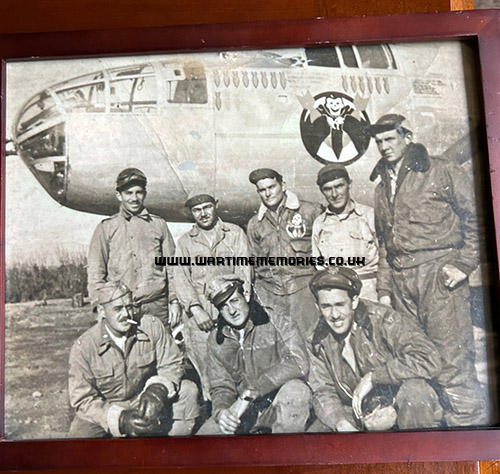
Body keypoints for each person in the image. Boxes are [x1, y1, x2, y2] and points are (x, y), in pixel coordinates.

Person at [370, 114, 487, 426]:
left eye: (390, 139)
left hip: (438, 277)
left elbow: (478, 217)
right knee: (416, 358)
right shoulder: (382, 188)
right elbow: (385, 244)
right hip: (400, 283)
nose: (384, 147)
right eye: (379, 142)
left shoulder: (439, 170)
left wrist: (463, 265)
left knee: (452, 362)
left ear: (407, 137)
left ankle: (469, 431)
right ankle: (429, 433)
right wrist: (383, 290)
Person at [307, 267, 444, 432]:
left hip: (397, 407)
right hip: (355, 413)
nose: (334, 314)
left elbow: (429, 358)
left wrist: (374, 378)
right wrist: (340, 423)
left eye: (340, 304)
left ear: (355, 301)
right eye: (326, 306)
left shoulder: (383, 319)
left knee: (416, 392)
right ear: (317, 307)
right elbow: (323, 390)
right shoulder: (315, 339)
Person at [68, 281, 199, 438]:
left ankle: (170, 451)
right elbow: (83, 400)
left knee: (187, 390)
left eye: (129, 307)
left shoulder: (151, 326)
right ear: (102, 311)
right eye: (118, 309)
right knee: (80, 435)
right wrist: (120, 419)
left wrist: (158, 389)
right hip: (108, 408)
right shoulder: (85, 347)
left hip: (143, 400)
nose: (126, 314)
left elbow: (172, 363)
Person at [197, 275, 311, 435]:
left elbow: (298, 362)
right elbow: (221, 386)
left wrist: (251, 392)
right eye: (223, 306)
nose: (231, 310)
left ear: (246, 295)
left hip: (277, 405)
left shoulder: (276, 320)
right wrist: (222, 412)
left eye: (235, 300)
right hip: (244, 414)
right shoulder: (217, 340)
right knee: (199, 444)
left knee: (297, 390)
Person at [174, 192, 252, 402]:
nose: (203, 213)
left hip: (232, 317)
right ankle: (215, 421)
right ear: (191, 213)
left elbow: (244, 272)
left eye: (207, 207)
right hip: (201, 322)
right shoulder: (184, 243)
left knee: (241, 370)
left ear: (216, 206)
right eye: (197, 210)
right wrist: (195, 310)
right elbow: (180, 278)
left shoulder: (234, 234)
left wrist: (240, 313)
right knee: (209, 380)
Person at [87, 168, 181, 329]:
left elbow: (173, 267)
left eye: (139, 192)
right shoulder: (106, 228)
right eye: (128, 193)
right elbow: (96, 270)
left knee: (160, 351)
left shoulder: (158, 225)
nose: (134, 198)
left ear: (144, 194)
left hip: (156, 306)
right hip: (120, 306)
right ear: (119, 196)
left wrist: (174, 301)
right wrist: (98, 305)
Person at [246, 168, 323, 337]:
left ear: (283, 185)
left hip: (305, 292)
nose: (267, 194)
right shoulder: (255, 224)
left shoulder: (310, 212)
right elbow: (257, 266)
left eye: (271, 187)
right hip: (274, 295)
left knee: (313, 340)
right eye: (262, 190)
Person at [312, 163, 379, 300]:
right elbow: (318, 265)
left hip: (369, 290)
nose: (335, 194)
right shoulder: (320, 223)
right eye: (328, 189)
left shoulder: (369, 216)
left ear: (350, 184)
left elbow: (384, 257)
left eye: (339, 186)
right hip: (337, 292)